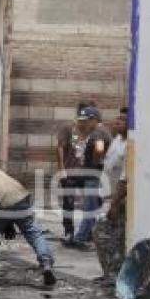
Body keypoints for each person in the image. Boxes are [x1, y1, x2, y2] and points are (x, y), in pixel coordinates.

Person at [65, 105, 111, 249]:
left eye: (85, 121)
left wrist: (96, 161)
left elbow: (99, 149)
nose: (83, 124)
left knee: (89, 209)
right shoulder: (99, 131)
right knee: (93, 207)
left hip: (93, 176)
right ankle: (90, 235)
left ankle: (80, 238)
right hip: (93, 175)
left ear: (94, 119)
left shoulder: (98, 132)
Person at [92, 108, 128, 284]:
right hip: (106, 195)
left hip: (117, 199)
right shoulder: (117, 140)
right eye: (117, 120)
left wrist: (115, 203)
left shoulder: (129, 144)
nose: (117, 123)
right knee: (103, 235)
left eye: (121, 120)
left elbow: (125, 179)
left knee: (107, 235)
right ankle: (108, 273)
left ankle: (113, 275)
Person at [56, 103, 90, 242]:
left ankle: (86, 231)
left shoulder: (92, 130)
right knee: (68, 203)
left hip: (86, 173)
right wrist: (62, 168)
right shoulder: (68, 128)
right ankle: (68, 231)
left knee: (90, 202)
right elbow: (60, 147)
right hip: (69, 172)